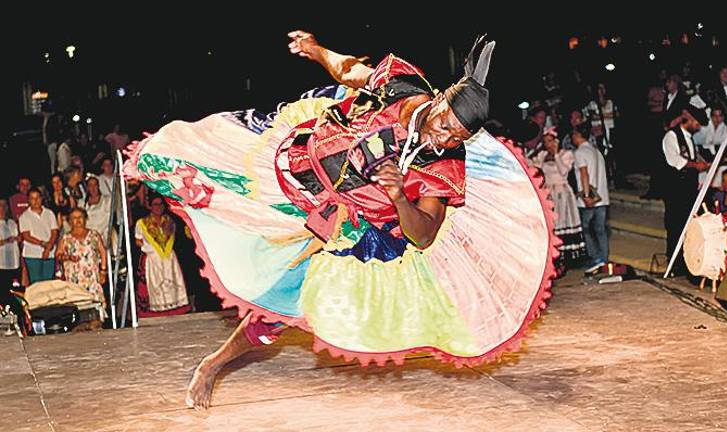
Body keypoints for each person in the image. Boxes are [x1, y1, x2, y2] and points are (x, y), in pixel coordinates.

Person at [124, 31, 557, 410]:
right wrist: (316, 50)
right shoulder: (408, 87)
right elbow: (351, 72)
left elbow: (424, 234)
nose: (443, 137)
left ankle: (212, 365)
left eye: (456, 138)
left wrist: (396, 197)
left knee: (283, 303)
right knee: (219, 159)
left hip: (348, 226)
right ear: (441, 98)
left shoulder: (445, 164)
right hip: (303, 163)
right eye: (446, 124)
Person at [661, 105, 710, 274]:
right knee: (675, 225)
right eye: (697, 122)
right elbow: (675, 161)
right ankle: (673, 263)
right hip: (675, 190)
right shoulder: (671, 136)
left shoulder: (690, 140)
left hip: (688, 190)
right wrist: (697, 165)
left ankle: (685, 262)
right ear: (689, 119)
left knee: (687, 225)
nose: (698, 126)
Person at [530, 128, 587, 273]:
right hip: (548, 192)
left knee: (562, 221)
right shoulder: (542, 155)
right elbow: (534, 169)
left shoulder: (566, 154)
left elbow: (564, 171)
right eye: (545, 142)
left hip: (562, 192)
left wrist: (555, 154)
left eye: (550, 141)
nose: (547, 144)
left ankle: (564, 258)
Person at [134, 195, 190, 318]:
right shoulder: (142, 222)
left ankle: (174, 308)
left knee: (172, 281)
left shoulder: (169, 221)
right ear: (150, 206)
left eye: (160, 204)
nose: (158, 207)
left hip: (169, 257)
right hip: (153, 258)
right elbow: (138, 240)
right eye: (155, 204)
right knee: (156, 282)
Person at [571, 125, 610, 273]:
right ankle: (603, 258)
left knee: (587, 229)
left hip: (589, 198)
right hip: (602, 197)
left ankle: (595, 258)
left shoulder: (580, 152)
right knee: (601, 229)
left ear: (578, 135)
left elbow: (584, 174)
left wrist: (586, 196)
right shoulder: (596, 151)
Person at [56, 208, 108, 308]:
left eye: (80, 217)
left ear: (85, 219)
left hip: (92, 276)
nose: (78, 220)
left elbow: (102, 252)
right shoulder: (66, 238)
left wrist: (103, 271)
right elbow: (58, 255)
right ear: (70, 221)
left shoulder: (94, 234)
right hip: (74, 276)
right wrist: (67, 257)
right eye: (74, 218)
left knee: (95, 303)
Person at [19, 190, 59, 284]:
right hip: (32, 254)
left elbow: (54, 232)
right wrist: (43, 244)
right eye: (32, 198)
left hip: (50, 253)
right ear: (28, 200)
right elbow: (27, 236)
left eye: (38, 197)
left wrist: (48, 247)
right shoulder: (24, 216)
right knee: (36, 283)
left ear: (41, 198)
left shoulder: (49, 213)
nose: (36, 201)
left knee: (48, 282)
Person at [0, 199, 20, 290]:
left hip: (14, 262)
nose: (3, 208)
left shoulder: (12, 222)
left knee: (14, 289)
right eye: (0, 205)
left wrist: (19, 238)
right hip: (1, 263)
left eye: (5, 205)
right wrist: (6, 241)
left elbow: (19, 237)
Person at [84, 177, 111, 245]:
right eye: (90, 185)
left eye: (95, 185)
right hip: (88, 236)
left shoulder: (106, 200)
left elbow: (108, 219)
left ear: (98, 186)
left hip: (103, 234)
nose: (93, 188)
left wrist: (96, 233)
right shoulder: (83, 203)